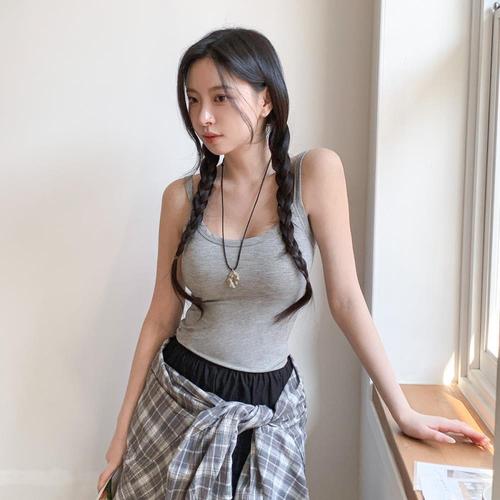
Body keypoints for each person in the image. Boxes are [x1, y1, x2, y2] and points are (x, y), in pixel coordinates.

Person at [97, 27, 491, 499]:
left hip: (271, 411)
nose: (203, 116)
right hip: (178, 400)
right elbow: (161, 317)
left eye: (221, 97)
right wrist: (120, 433)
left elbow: (347, 301)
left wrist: (402, 410)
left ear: (266, 100)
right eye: (194, 100)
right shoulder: (180, 198)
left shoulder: (315, 173)